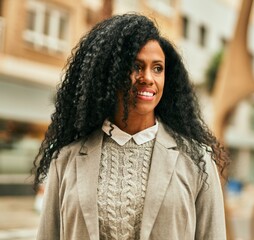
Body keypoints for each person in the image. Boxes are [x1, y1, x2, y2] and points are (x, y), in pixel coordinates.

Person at [33, 13, 229, 240]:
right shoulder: (66, 160)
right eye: (136, 66)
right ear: (110, 74)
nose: (148, 77)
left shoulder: (197, 160)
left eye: (157, 68)